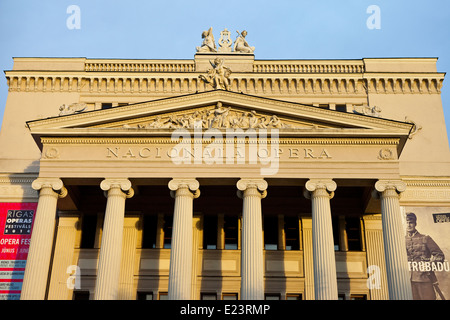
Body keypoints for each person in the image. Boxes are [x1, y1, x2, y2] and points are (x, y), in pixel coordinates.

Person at [405, 212, 445, 300]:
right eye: (407, 222)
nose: (409, 225)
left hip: (425, 279)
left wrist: (428, 266)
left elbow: (439, 255)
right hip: (408, 281)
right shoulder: (402, 240)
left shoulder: (425, 238)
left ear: (415, 223)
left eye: (411, 222)